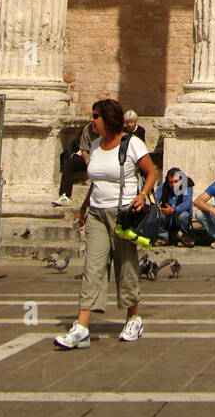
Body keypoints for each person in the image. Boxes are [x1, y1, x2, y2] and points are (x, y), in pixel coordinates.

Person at [54, 98, 156, 348]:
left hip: (123, 214)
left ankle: (133, 318)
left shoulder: (132, 144)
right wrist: (83, 209)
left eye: (95, 116)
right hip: (97, 214)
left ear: (108, 119)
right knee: (92, 268)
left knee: (126, 266)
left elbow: (151, 171)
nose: (91, 120)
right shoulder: (97, 146)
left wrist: (142, 195)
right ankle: (81, 327)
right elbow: (96, 182)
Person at [52, 118, 94, 207]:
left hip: (102, 158)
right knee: (69, 163)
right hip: (89, 157)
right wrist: (88, 162)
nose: (92, 120)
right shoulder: (88, 129)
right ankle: (65, 195)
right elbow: (84, 149)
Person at [155, 167, 194, 247]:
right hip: (167, 218)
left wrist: (174, 210)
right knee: (157, 213)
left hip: (179, 218)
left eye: (176, 182)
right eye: (171, 182)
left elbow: (187, 203)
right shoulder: (164, 187)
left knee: (182, 216)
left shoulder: (187, 186)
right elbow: (155, 201)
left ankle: (183, 234)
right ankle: (165, 236)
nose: (173, 185)